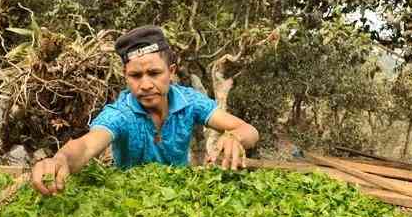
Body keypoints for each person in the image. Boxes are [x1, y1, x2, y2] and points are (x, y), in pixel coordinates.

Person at [32, 25, 259, 194]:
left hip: (180, 195)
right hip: (128, 200)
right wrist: (60, 160)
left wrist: (234, 137)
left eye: (154, 73)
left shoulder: (190, 102)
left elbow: (249, 131)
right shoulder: (120, 114)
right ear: (126, 77)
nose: (146, 84)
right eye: (136, 76)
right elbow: (85, 146)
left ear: (170, 72)